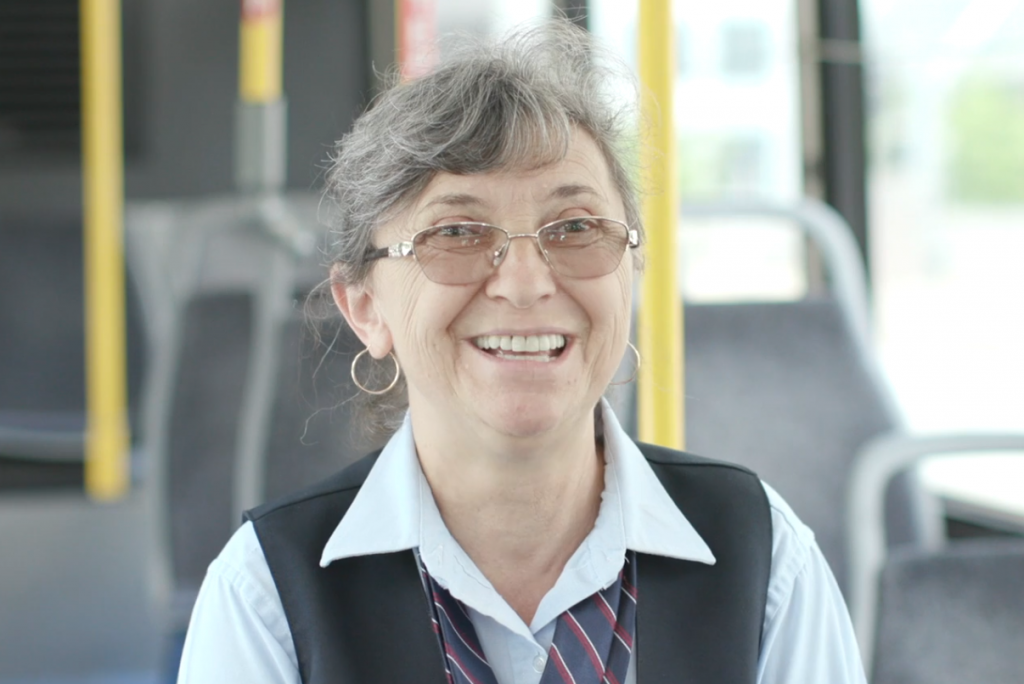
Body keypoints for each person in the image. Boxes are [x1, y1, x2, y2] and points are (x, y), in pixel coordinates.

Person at [177, 21, 867, 684]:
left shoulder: (764, 556)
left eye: (575, 227)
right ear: (365, 308)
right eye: (456, 233)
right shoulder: (268, 595)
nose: (526, 283)